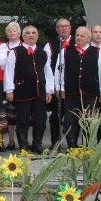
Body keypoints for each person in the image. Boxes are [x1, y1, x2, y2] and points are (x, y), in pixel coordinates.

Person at [54, 26, 101, 149]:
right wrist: (60, 88)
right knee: (70, 122)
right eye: (77, 35)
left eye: (82, 35)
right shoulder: (65, 51)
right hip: (71, 94)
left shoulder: (97, 52)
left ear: (89, 38)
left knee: (89, 122)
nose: (79, 38)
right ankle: (72, 146)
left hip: (90, 94)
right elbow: (59, 71)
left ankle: (86, 146)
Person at [4, 25, 53, 153]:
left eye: (34, 33)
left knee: (40, 119)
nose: (31, 35)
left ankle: (37, 144)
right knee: (23, 119)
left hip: (40, 92)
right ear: (23, 36)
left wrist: (49, 90)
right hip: (22, 91)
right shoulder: (16, 51)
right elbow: (9, 71)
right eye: (28, 33)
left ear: (37, 36)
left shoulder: (43, 53)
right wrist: (9, 90)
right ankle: (23, 146)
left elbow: (48, 72)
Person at [44, 18, 73, 149]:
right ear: (57, 30)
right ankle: (55, 141)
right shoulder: (50, 45)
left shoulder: (77, 42)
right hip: (57, 87)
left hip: (73, 87)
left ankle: (72, 143)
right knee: (55, 116)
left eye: (66, 26)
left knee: (72, 116)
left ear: (70, 28)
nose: (64, 29)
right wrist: (52, 87)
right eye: (60, 27)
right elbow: (47, 67)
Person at [3, 21, 23, 150]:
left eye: (14, 30)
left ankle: (23, 140)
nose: (12, 33)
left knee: (21, 113)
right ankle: (10, 141)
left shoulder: (24, 46)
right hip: (4, 82)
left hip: (21, 83)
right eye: (9, 31)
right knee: (8, 114)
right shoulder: (3, 47)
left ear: (19, 33)